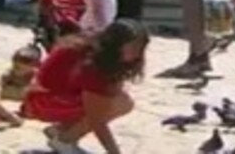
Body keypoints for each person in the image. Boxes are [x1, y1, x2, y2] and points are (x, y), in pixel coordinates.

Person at [22, 19, 149, 154]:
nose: (137, 54)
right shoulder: (92, 63)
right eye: (134, 47)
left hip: (49, 96)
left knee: (119, 100)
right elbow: (97, 120)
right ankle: (64, 140)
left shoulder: (96, 48)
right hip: (42, 101)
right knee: (119, 104)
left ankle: (62, 130)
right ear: (117, 44)